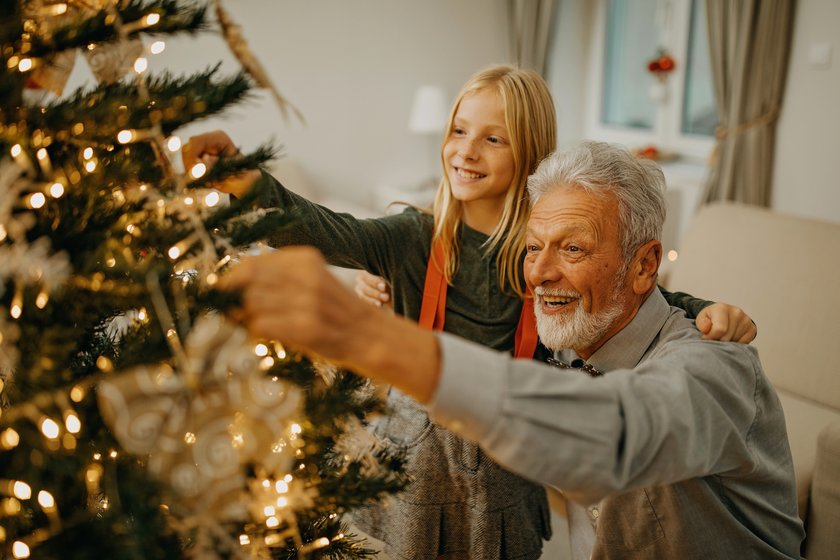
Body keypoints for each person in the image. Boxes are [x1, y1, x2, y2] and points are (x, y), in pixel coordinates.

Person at [184, 66, 755, 559]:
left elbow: (618, 291)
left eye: (492, 139)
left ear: (528, 152)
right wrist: (249, 179)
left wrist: (704, 310)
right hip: (411, 468)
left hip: (503, 480)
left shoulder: (539, 258)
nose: (465, 150)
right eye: (459, 131)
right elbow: (321, 227)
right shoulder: (412, 238)